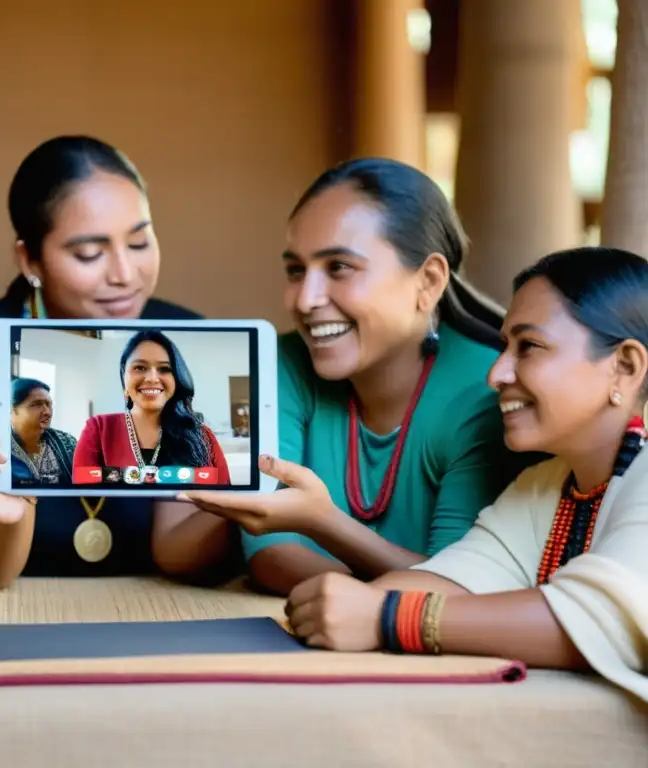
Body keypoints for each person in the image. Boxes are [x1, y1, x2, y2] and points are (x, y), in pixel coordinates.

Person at [267, 247, 648, 704]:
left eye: (528, 346)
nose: (497, 373)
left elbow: (601, 619)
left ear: (625, 367)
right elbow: (451, 579)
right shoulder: (545, 487)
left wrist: (388, 617)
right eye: (504, 346)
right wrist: (345, 603)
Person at [181, 158, 523, 595]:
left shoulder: (486, 391)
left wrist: (324, 530)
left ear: (429, 281)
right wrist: (371, 597)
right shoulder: (284, 361)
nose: (306, 299)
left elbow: (457, 586)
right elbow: (271, 551)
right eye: (296, 270)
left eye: (339, 267)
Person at [0, 135, 238, 589]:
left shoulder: (184, 339)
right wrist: (16, 494)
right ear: (30, 258)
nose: (125, 275)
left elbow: (182, 552)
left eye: (141, 242)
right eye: (89, 253)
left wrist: (241, 492)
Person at [72, 330, 231, 483]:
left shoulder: (202, 436)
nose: (152, 378)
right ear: (123, 374)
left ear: (176, 378)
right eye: (140, 367)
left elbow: (225, 502)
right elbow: (82, 499)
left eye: (164, 369)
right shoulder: (98, 429)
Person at [9, 377, 77, 485]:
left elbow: (89, 474)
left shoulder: (67, 442)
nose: (47, 412)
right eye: (36, 404)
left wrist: (111, 475)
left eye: (49, 405)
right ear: (13, 410)